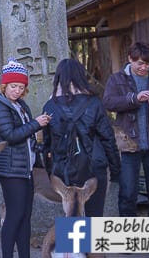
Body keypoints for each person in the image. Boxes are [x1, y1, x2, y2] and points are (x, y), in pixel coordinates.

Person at [0, 59, 51, 258]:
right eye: (13, 86)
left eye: (21, 87)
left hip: (24, 165)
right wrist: (37, 124)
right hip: (9, 166)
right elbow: (10, 135)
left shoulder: (19, 104)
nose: (17, 91)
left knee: (25, 216)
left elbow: (25, 135)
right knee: (14, 215)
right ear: (4, 85)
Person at [103, 41, 149, 217]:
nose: (144, 68)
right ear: (130, 59)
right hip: (128, 145)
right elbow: (108, 102)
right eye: (140, 63)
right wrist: (133, 98)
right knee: (128, 195)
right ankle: (129, 239)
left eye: (147, 64)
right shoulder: (117, 78)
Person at [42, 58, 120, 216]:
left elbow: (47, 144)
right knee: (94, 215)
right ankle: (91, 240)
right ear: (81, 77)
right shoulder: (94, 103)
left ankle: (72, 241)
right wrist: (115, 170)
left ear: (58, 78)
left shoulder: (49, 107)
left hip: (64, 171)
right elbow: (108, 139)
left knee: (71, 219)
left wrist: (51, 170)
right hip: (93, 170)